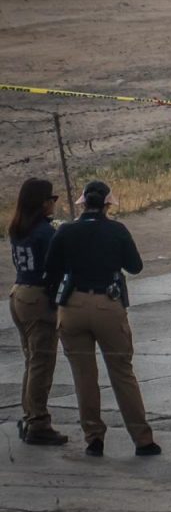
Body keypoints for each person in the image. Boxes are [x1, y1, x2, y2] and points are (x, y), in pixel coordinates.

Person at [45, 180, 160, 457]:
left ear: (82, 203)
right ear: (108, 204)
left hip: (72, 304)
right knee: (122, 373)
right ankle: (142, 439)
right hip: (107, 303)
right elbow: (135, 266)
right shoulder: (117, 230)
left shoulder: (65, 231)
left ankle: (93, 437)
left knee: (83, 376)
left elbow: (50, 269)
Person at [8, 178, 68, 446]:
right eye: (51, 199)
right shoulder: (45, 232)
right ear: (42, 203)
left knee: (31, 361)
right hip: (38, 298)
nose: (54, 203)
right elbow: (57, 266)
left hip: (19, 292)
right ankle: (38, 422)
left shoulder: (18, 228)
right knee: (42, 363)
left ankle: (29, 414)